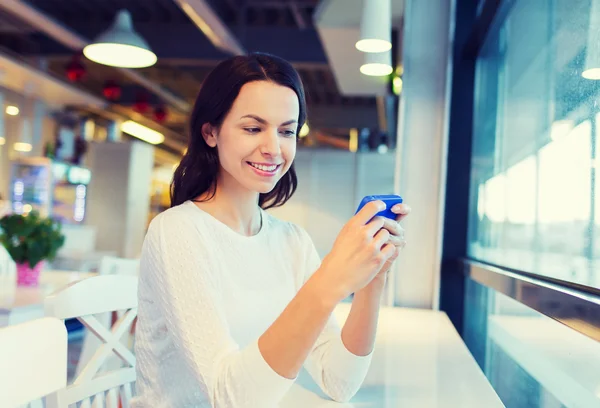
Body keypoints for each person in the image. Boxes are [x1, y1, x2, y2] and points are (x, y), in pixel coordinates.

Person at [132, 53, 411, 408]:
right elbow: (229, 398)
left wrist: (373, 277)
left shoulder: (291, 241)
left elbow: (339, 382)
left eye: (286, 131)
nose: (273, 148)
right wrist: (331, 280)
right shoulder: (176, 232)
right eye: (253, 128)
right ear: (211, 132)